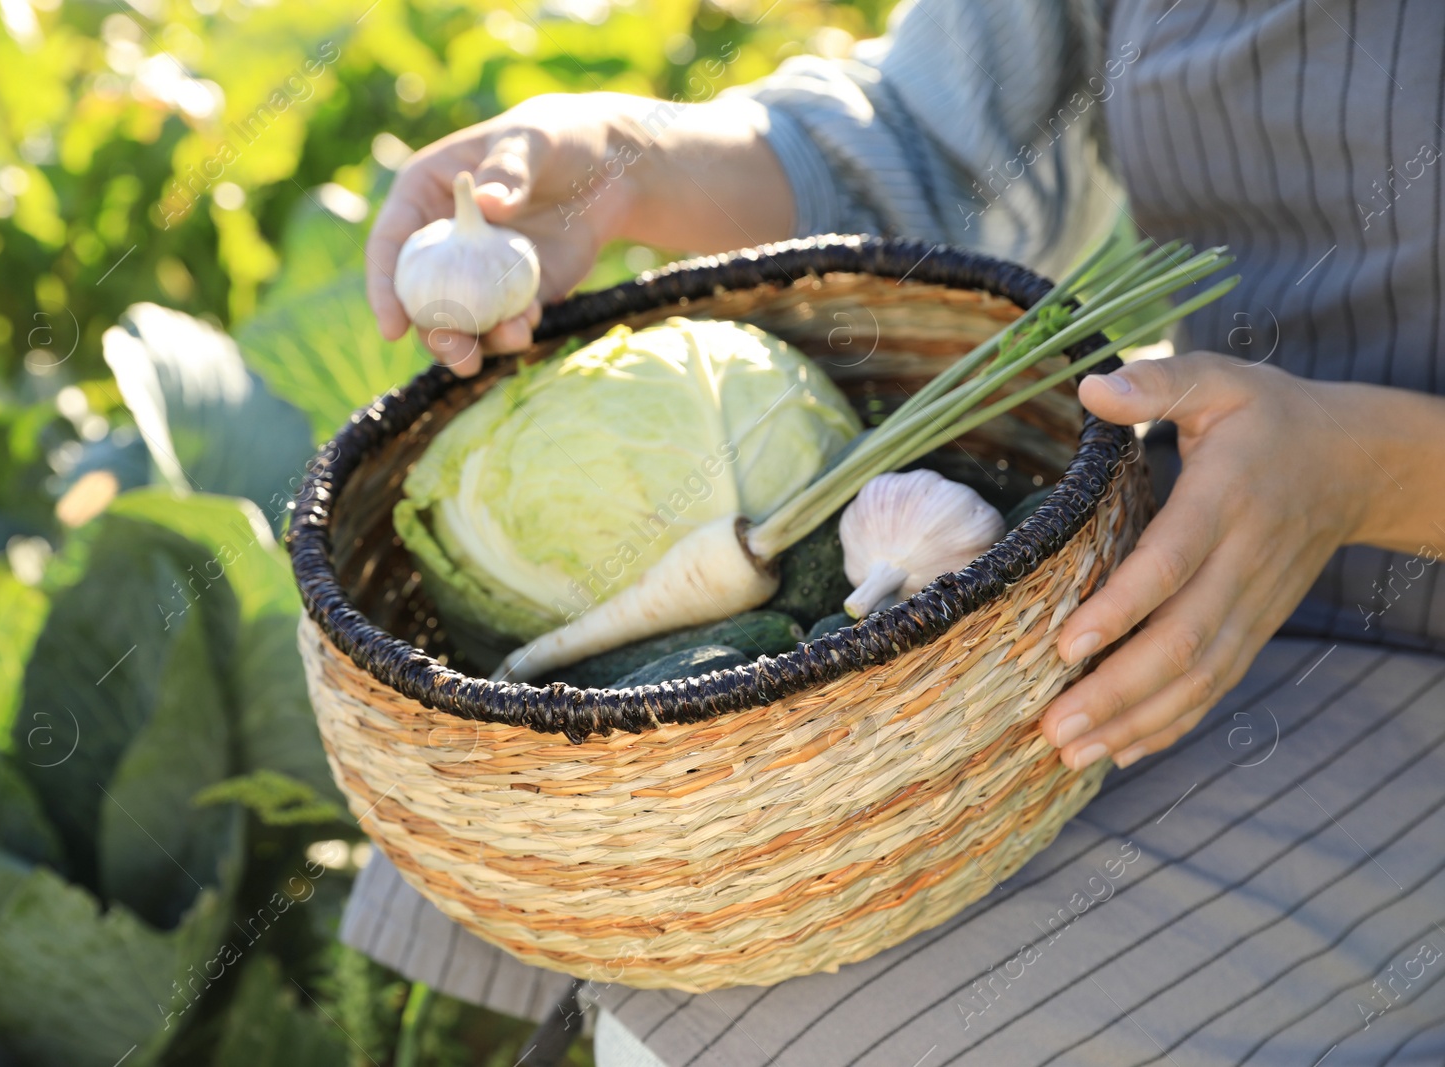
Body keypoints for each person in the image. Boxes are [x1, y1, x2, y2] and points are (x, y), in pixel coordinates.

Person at [348, 0, 1445, 1062]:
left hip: (1409, 636)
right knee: (588, 838)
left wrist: (1363, 471)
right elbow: (929, 140)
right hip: (1173, 532)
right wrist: (623, 157)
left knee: (802, 1023)